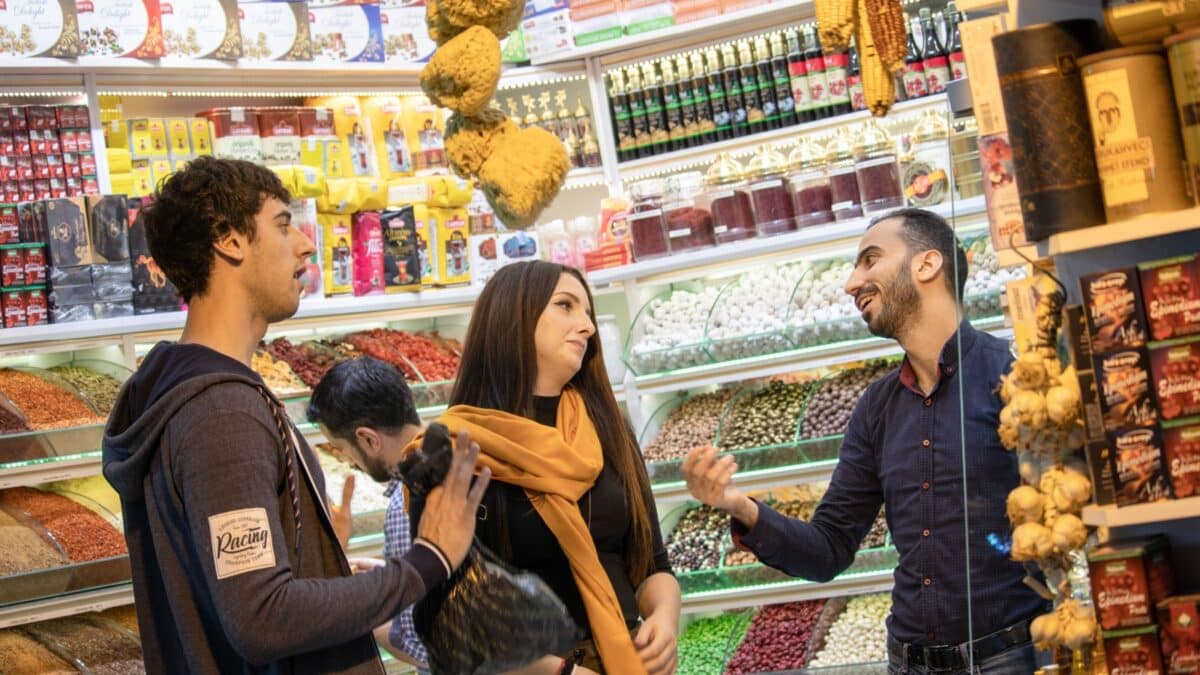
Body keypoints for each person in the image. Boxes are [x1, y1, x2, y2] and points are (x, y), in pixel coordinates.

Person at [101, 156, 489, 674]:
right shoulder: (221, 411)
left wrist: (320, 561)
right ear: (228, 239)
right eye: (283, 225)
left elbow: (238, 591)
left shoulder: (180, 389)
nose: (306, 243)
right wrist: (428, 559)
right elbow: (261, 617)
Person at [681, 208, 1048, 674]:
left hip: (1014, 656)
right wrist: (740, 505)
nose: (851, 283)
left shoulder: (1010, 375)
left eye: (869, 260)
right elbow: (827, 549)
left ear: (926, 265)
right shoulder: (876, 409)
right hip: (911, 663)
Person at [419, 261, 679, 675]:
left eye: (588, 312)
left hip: (625, 659)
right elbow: (444, 618)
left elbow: (652, 566)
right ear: (514, 317)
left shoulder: (608, 428)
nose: (588, 326)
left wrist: (665, 618)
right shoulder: (453, 449)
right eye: (566, 306)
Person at [306, 356, 431, 673]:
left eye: (342, 448)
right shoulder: (454, 451)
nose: (348, 460)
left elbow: (420, 644)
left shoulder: (408, 502)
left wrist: (357, 610)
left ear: (368, 439)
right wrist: (390, 577)